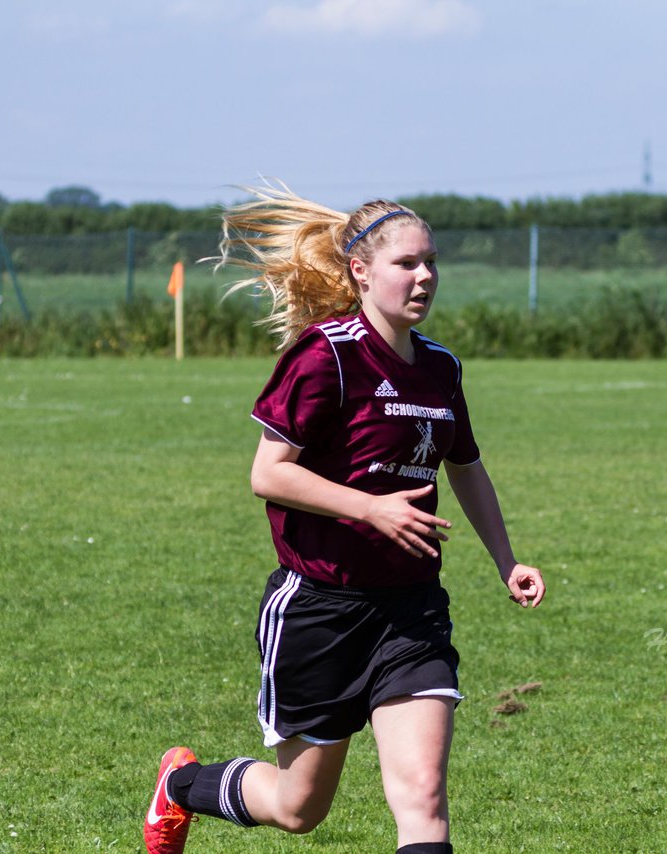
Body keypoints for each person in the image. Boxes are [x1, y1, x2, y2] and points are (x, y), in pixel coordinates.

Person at [143, 183, 546, 854]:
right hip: (320, 610)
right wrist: (369, 508)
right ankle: (182, 786)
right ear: (361, 270)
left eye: (431, 263)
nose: (424, 278)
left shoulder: (442, 369)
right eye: (406, 265)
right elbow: (267, 473)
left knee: (423, 796)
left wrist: (508, 561)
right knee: (299, 808)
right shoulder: (323, 354)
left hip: (411, 613)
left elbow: (466, 466)